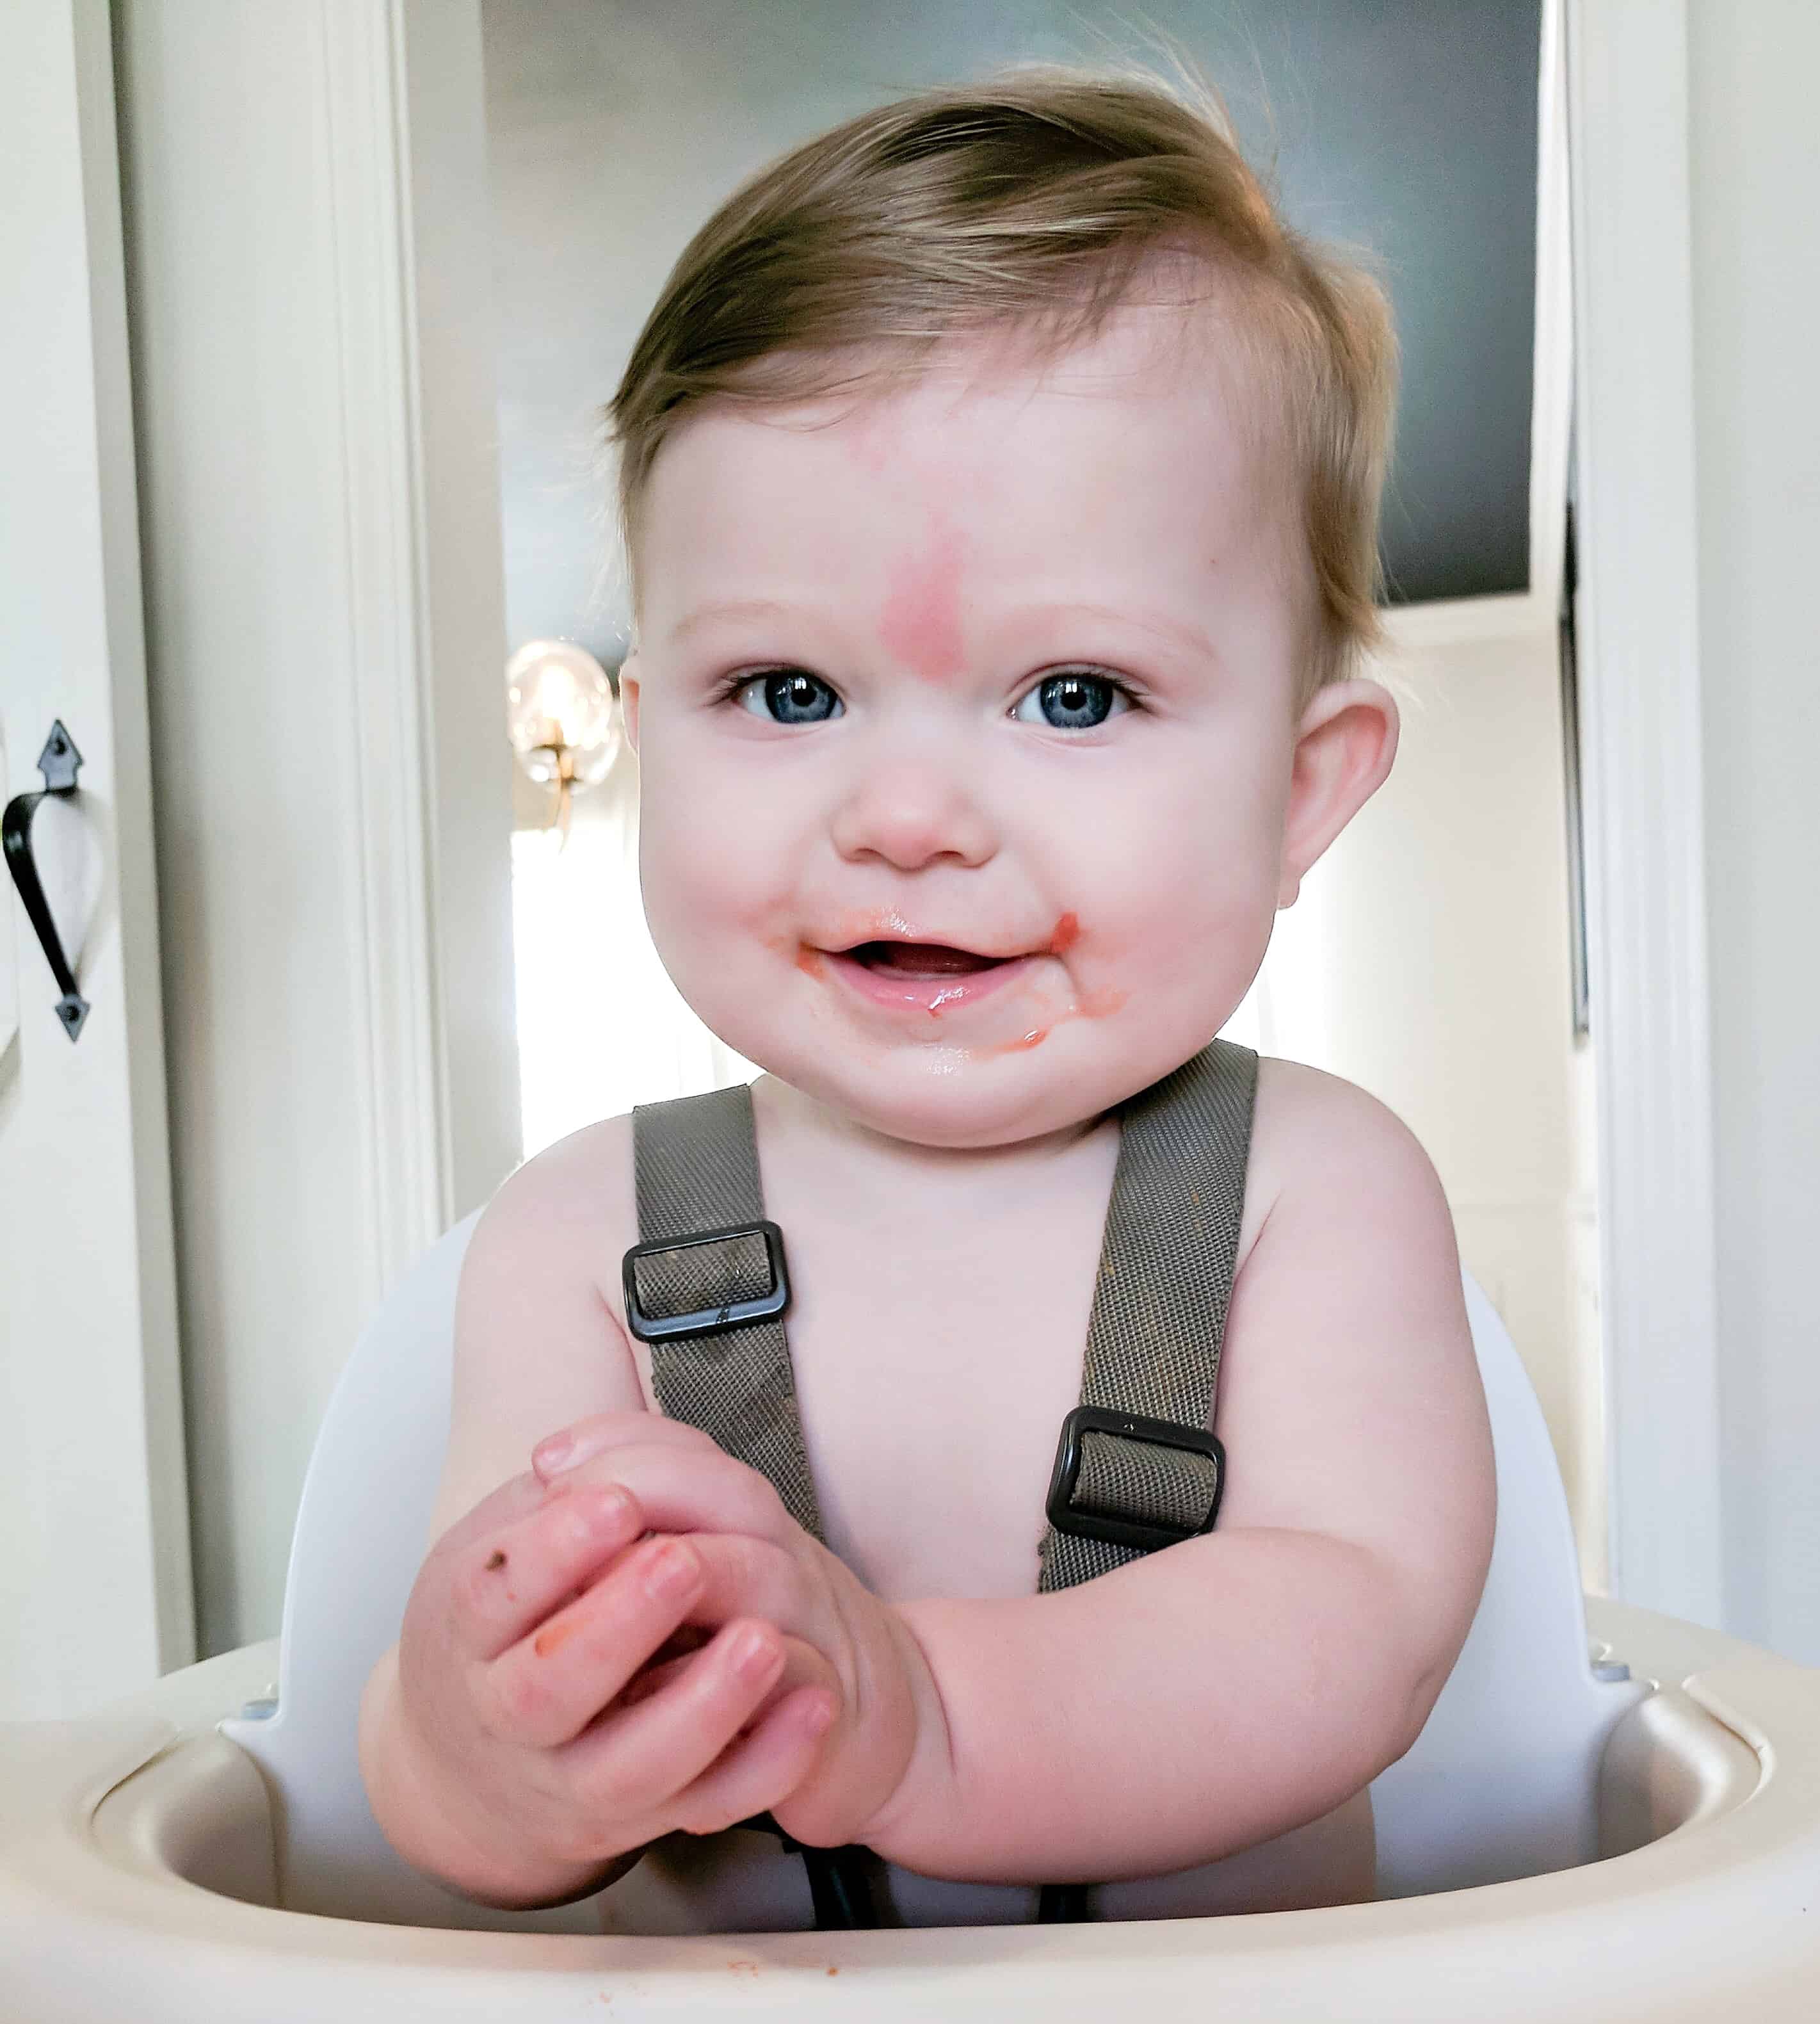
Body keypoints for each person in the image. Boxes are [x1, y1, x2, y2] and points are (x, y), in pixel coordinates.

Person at [358, 69, 1495, 1926]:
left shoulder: (1316, 1188)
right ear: (645, 745)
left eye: (1072, 697)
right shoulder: (573, 1237)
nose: (901, 820)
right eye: (788, 694)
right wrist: (484, 1763)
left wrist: (915, 1718)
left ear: (1302, 794)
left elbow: (1344, 1624)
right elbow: (434, 1765)